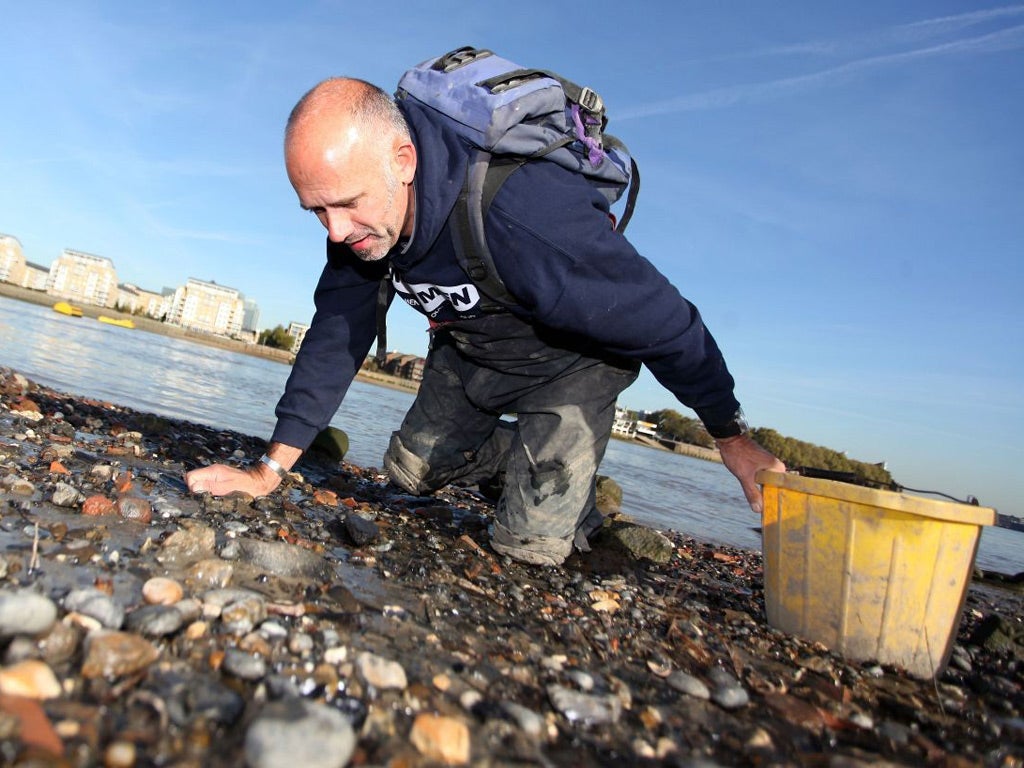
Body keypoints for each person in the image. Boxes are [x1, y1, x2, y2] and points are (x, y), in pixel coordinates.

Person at [186, 77, 785, 566]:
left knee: (527, 549)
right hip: (474, 348)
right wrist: (267, 473)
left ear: (403, 160)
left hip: (573, 366)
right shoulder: (360, 233)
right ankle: (515, 458)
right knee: (408, 473)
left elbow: (669, 325)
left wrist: (730, 438)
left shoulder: (527, 216)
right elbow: (336, 336)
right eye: (316, 210)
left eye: (346, 203)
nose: (337, 232)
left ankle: (562, 486)